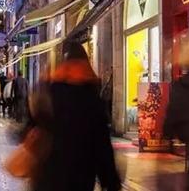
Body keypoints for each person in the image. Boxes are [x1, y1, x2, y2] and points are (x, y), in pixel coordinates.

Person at [24, 42, 120, 191]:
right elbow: (102, 145)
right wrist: (110, 179)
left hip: (48, 176)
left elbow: (31, 128)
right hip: (80, 176)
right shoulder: (92, 99)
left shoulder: (50, 93)